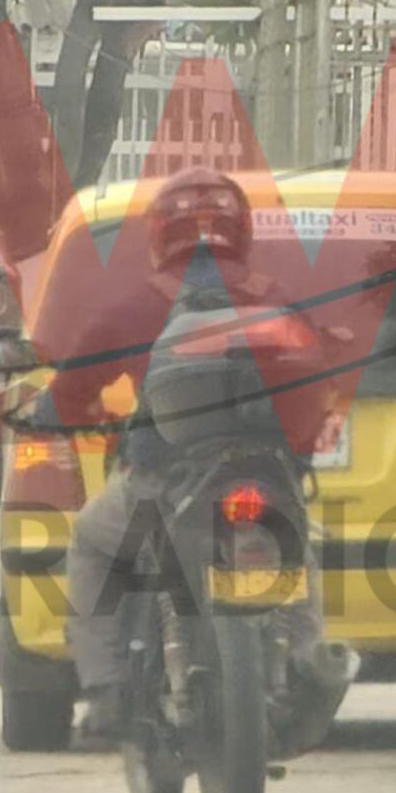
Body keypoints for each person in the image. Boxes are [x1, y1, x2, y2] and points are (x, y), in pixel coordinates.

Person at [64, 168, 329, 739]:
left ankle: (106, 689)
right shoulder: (275, 299)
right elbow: (318, 382)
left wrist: (70, 413)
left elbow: (68, 390)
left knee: (91, 541)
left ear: (160, 234)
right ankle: (308, 666)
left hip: (166, 478)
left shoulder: (137, 306)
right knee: (300, 558)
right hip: (267, 475)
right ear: (242, 231)